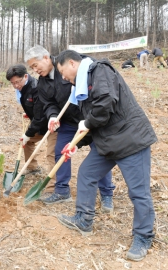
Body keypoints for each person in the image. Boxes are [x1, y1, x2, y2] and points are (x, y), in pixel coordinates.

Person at [55, 50, 157, 262]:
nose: (63, 78)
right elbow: (91, 123)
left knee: (138, 192)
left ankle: (143, 236)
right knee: (86, 173)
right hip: (108, 142)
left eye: (63, 72)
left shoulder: (99, 70)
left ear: (72, 63)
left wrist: (88, 123)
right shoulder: (81, 86)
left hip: (131, 140)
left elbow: (105, 104)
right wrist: (77, 144)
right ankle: (84, 219)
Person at [24, 45, 115, 211]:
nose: (35, 70)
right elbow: (48, 103)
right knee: (61, 152)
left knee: (101, 153)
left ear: (45, 57)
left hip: (89, 119)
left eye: (35, 65)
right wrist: (52, 116)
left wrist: (91, 119)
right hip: (67, 121)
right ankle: (62, 191)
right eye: (32, 68)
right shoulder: (42, 82)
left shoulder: (68, 64)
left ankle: (107, 193)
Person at [5, 64, 53, 189]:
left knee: (52, 154)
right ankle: (32, 168)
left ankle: (55, 186)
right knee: (26, 142)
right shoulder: (23, 88)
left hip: (52, 125)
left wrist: (28, 133)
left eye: (18, 82)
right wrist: (29, 113)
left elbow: (40, 116)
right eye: (13, 83)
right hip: (39, 124)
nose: (16, 86)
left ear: (26, 76)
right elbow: (34, 110)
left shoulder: (36, 88)